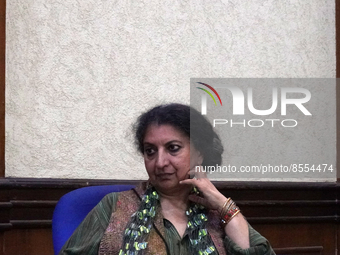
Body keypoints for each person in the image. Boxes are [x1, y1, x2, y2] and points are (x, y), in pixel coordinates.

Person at [58, 103, 275, 255]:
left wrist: (226, 208)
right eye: (150, 151)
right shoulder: (114, 206)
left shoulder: (217, 212)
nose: (160, 162)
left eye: (173, 148)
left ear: (199, 152)